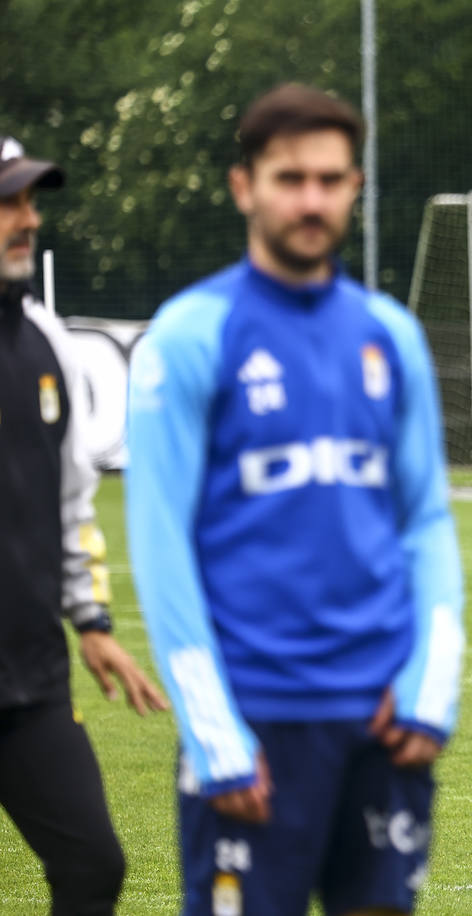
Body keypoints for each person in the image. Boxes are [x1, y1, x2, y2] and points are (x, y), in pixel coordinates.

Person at [124, 84, 465, 915]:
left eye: (329, 179)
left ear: (354, 187)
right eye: (289, 178)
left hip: (384, 720)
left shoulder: (391, 334)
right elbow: (161, 541)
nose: (309, 199)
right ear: (246, 187)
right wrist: (213, 732)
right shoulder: (189, 335)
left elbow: (424, 519)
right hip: (256, 724)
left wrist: (432, 685)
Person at [0, 134, 168, 913]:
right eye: (8, 203)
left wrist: (91, 619)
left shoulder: (48, 345)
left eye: (29, 202)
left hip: (28, 683)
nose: (26, 220)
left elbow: (70, 506)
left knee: (93, 866)